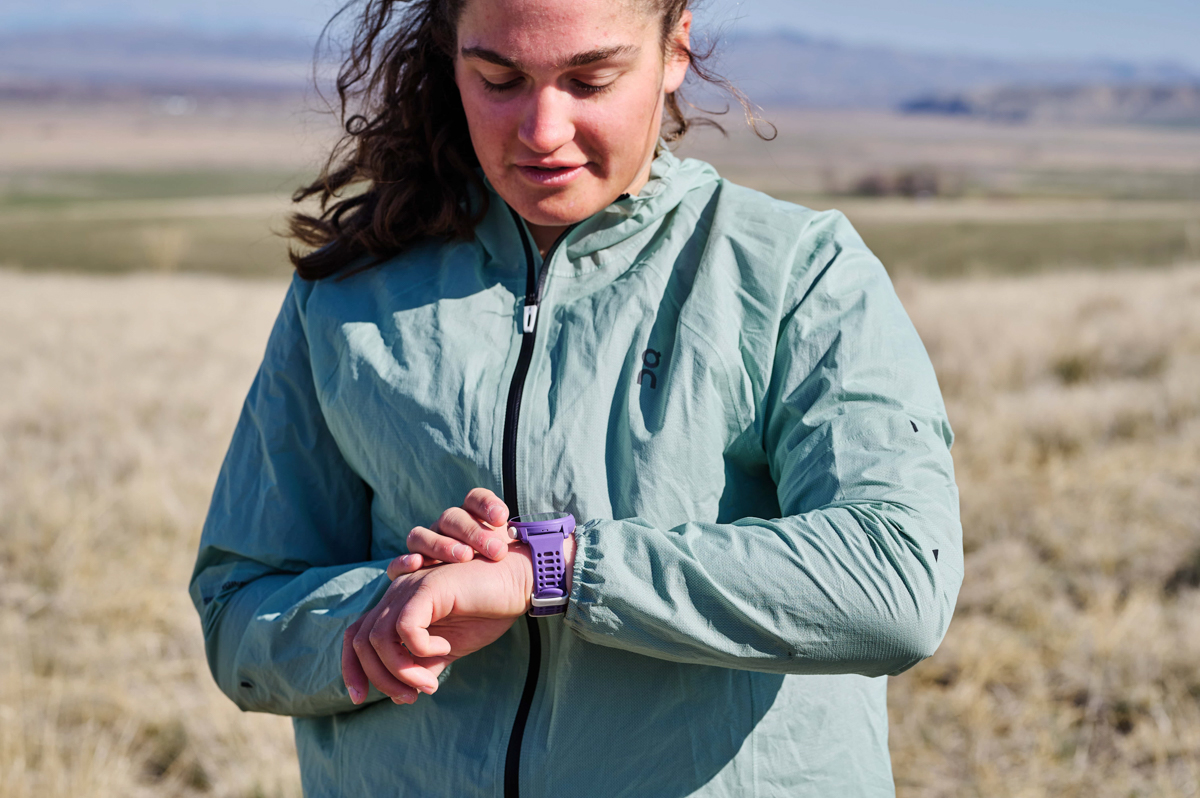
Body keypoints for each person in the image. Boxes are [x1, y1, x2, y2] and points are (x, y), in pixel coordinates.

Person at [189, 0, 963, 794]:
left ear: (675, 50)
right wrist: (380, 622)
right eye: (499, 80)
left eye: (590, 80)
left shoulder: (798, 271)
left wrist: (552, 572)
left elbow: (898, 581)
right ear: (451, 58)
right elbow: (237, 611)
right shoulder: (352, 291)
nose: (542, 130)